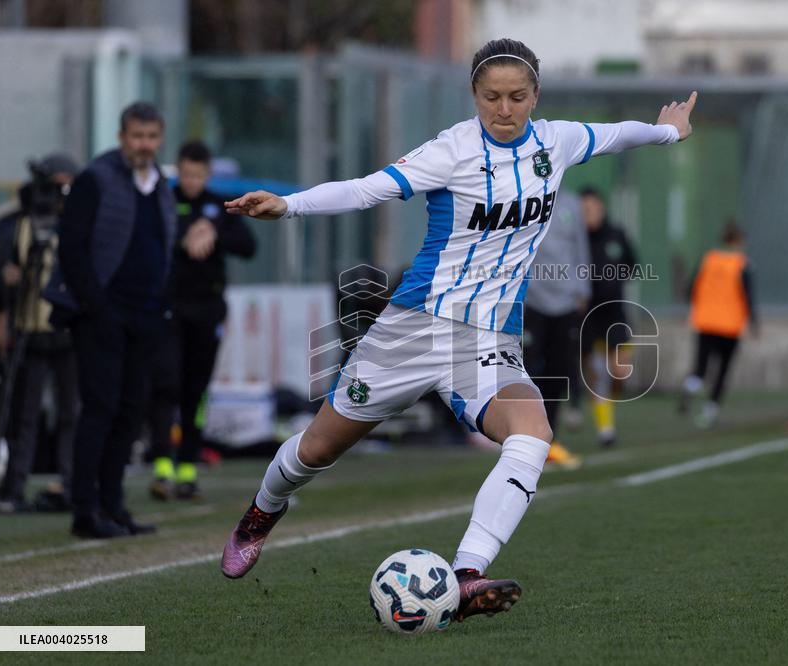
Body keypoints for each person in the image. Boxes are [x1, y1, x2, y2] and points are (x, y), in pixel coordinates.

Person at [219, 38, 696, 621]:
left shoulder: (558, 141)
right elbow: (366, 189)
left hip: (487, 342)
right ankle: (264, 510)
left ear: (536, 96)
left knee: (533, 433)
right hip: (413, 329)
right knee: (316, 449)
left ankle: (468, 573)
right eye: (491, 96)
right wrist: (288, 206)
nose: (504, 108)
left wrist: (667, 132)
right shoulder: (452, 150)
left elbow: (619, 132)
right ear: (474, 95)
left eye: (517, 97)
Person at [44, 102, 176, 539]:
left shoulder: (160, 185)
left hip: (145, 315)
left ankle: (114, 505)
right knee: (99, 409)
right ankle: (86, 509)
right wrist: (96, 307)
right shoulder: (95, 179)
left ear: (160, 139)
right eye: (137, 136)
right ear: (122, 137)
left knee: (130, 412)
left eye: (151, 137)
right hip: (101, 315)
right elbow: (72, 249)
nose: (144, 145)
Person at [148, 140, 257, 502]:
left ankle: (187, 469)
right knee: (166, 384)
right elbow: (148, 239)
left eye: (198, 174)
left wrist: (214, 233)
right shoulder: (163, 201)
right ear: (178, 171)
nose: (192, 181)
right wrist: (184, 237)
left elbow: (248, 245)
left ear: (207, 174)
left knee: (196, 391)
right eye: (186, 174)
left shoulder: (219, 206)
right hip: (169, 311)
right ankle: (162, 464)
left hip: (207, 311)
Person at [0, 154, 80, 513]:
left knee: (70, 412)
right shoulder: (25, 222)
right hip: (30, 327)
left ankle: (72, 483)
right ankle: (13, 488)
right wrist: (6, 280)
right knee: (25, 414)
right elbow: (5, 264)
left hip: (69, 329)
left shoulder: (79, 220)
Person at [522, 190, 589, 468]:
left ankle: (548, 439)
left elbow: (580, 248)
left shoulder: (571, 204)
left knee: (558, 371)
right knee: (521, 369)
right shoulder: (524, 195)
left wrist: (583, 288)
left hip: (565, 302)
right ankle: (518, 436)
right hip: (532, 300)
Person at [679, 221, 757, 428]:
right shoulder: (741, 264)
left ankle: (690, 388)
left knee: (700, 366)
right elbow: (748, 296)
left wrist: (693, 307)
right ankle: (709, 412)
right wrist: (754, 322)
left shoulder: (709, 259)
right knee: (722, 371)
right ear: (739, 240)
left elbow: (691, 287)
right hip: (729, 325)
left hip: (705, 320)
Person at [578, 186, 640, 447]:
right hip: (586, 316)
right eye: (583, 210)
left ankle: (608, 408)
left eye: (591, 208)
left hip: (614, 312)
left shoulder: (617, 235)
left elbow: (632, 265)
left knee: (620, 372)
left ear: (601, 208)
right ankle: (606, 430)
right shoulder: (576, 239)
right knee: (595, 375)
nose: (587, 214)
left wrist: (613, 283)